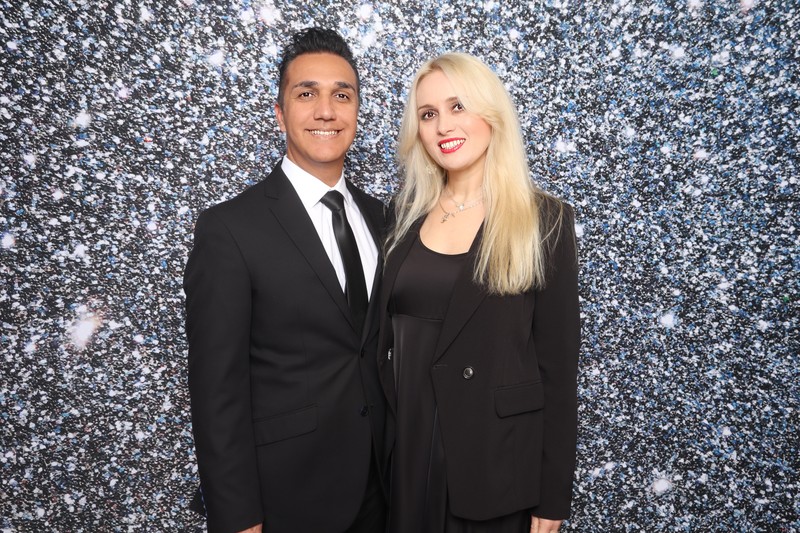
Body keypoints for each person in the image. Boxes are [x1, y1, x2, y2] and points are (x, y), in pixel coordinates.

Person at [184, 27, 388, 533]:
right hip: (287, 502)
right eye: (306, 94)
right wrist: (238, 519)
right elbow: (217, 393)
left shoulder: (386, 219)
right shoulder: (229, 228)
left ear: (356, 110)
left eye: (342, 95)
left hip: (387, 491)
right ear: (280, 113)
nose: (326, 110)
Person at [377, 53, 580, 533]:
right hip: (402, 457)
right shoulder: (399, 219)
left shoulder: (543, 222)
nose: (443, 124)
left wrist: (552, 500)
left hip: (492, 466)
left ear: (491, 114)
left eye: (458, 106)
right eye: (428, 114)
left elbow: (558, 371)